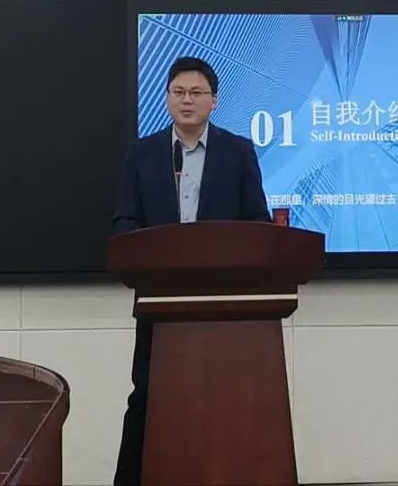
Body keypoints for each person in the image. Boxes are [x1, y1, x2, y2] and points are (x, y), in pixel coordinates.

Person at [112, 56, 271, 486]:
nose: (187, 100)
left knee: (223, 399)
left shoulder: (237, 152)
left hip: (222, 304)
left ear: (213, 102)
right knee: (147, 397)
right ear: (167, 99)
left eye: (196, 93)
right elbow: (125, 221)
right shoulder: (143, 154)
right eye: (179, 92)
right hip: (159, 300)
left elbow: (257, 221)